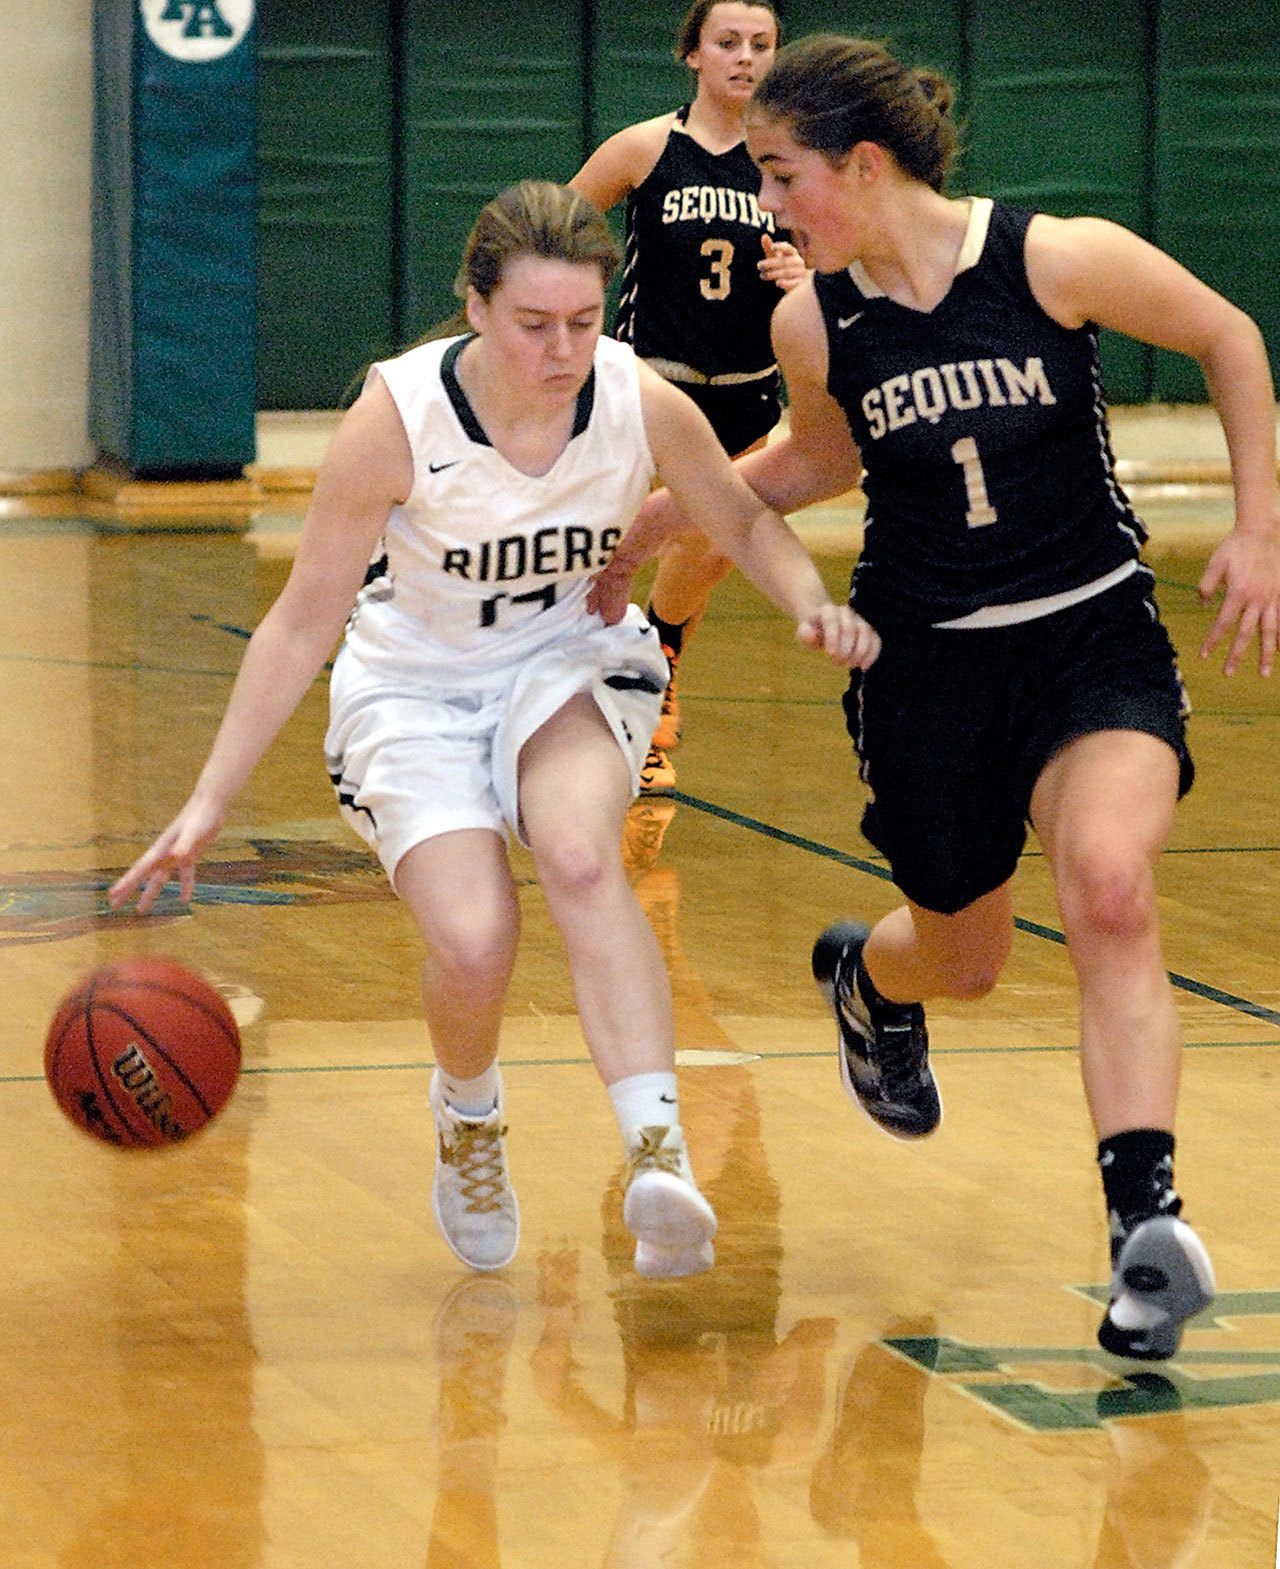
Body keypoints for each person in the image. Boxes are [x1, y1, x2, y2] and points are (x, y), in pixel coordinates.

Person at [591, 36, 1280, 1355]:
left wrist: (1260, 524)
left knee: (1113, 888)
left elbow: (1227, 336)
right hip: (927, 666)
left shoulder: (1051, 259)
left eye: (784, 177)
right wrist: (655, 521)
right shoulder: (815, 321)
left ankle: (1145, 1230)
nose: (770, 204)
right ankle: (875, 979)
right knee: (960, 956)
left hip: (1091, 637)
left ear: (860, 165)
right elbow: (811, 462)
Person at [107, 180, 877, 1282]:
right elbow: (301, 617)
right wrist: (206, 800)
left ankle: (658, 1157)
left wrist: (812, 602)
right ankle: (468, 1113)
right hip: (411, 688)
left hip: (564, 663)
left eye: (579, 321)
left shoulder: (635, 397)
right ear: (475, 307)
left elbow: (738, 516)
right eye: (532, 325)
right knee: (472, 941)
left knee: (576, 852)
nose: (561, 349)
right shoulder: (397, 417)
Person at [569, 0, 807, 793]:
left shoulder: (796, 161)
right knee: (598, 545)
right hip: (648, 386)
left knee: (703, 553)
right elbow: (556, 230)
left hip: (745, 395)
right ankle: (553, 705)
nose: (746, 57)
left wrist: (807, 280)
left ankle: (656, 681)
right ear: (693, 55)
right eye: (728, 42)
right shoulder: (647, 148)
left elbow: (844, 267)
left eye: (762, 44)